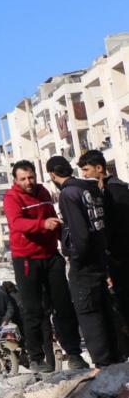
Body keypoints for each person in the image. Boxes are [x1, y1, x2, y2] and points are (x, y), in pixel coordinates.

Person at [4, 160, 87, 372]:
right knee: (33, 311)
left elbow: (54, 222)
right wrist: (42, 224)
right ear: (16, 180)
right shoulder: (11, 197)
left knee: (63, 305)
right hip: (26, 259)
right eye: (23, 179)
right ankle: (36, 357)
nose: (28, 182)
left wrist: (66, 245)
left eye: (31, 177)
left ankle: (74, 353)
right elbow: (17, 224)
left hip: (51, 256)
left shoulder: (43, 193)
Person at [47, 155, 122, 369]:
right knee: (104, 309)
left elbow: (80, 234)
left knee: (89, 313)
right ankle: (115, 358)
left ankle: (103, 364)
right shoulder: (89, 188)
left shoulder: (69, 194)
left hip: (85, 264)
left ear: (52, 174)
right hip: (100, 258)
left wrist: (76, 259)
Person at [78, 149, 129, 356]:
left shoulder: (115, 192)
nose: (84, 175)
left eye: (86, 170)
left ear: (99, 168)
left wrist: (114, 256)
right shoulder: (111, 189)